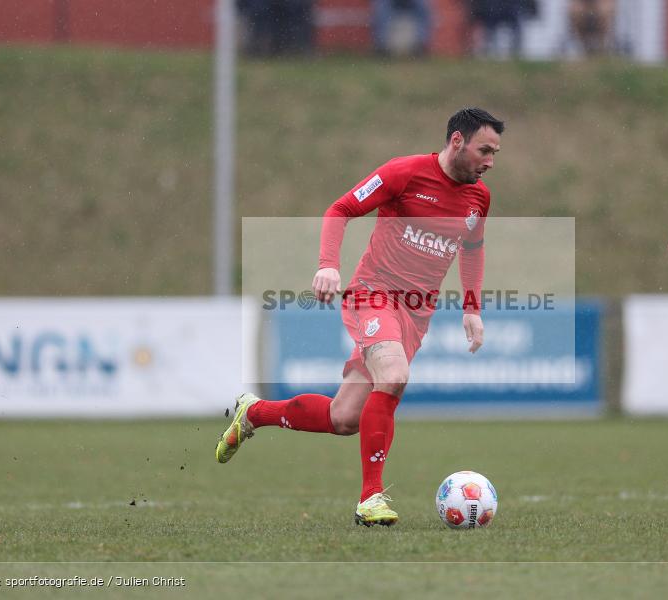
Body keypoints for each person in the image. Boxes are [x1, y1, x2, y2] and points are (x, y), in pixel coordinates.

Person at [216, 108, 504, 526]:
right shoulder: (403, 173)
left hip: (415, 314)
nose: (491, 161)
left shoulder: (480, 198)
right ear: (457, 141)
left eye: (496, 152)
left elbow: (473, 249)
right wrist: (327, 264)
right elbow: (340, 209)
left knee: (344, 417)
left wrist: (472, 309)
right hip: (373, 295)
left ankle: (254, 412)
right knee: (394, 373)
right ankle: (370, 498)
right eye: (485, 150)